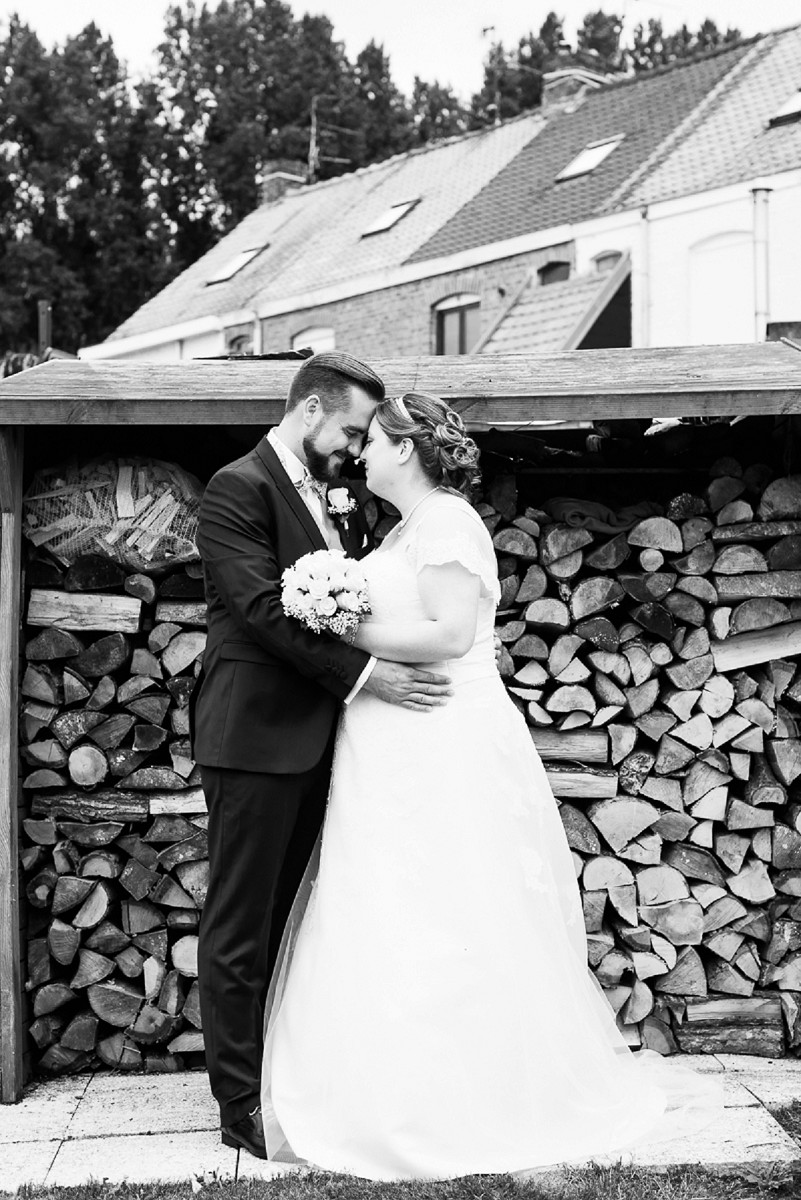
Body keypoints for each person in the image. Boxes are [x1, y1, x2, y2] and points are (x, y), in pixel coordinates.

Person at [260, 391, 722, 1180]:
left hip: (442, 737)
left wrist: (330, 624)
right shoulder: (406, 527)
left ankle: (464, 1100)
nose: (359, 453)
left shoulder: (446, 521)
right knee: (388, 899)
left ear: (405, 448)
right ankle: (381, 1090)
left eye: (370, 440)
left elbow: (449, 634)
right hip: (389, 741)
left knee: (450, 901)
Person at [191, 355, 453, 1161]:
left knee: (294, 920)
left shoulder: (341, 497)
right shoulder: (237, 488)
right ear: (309, 411)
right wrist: (369, 675)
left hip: (322, 739)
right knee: (242, 922)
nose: (353, 446)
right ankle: (238, 1104)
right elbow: (264, 611)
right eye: (347, 428)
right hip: (256, 736)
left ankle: (288, 1076)